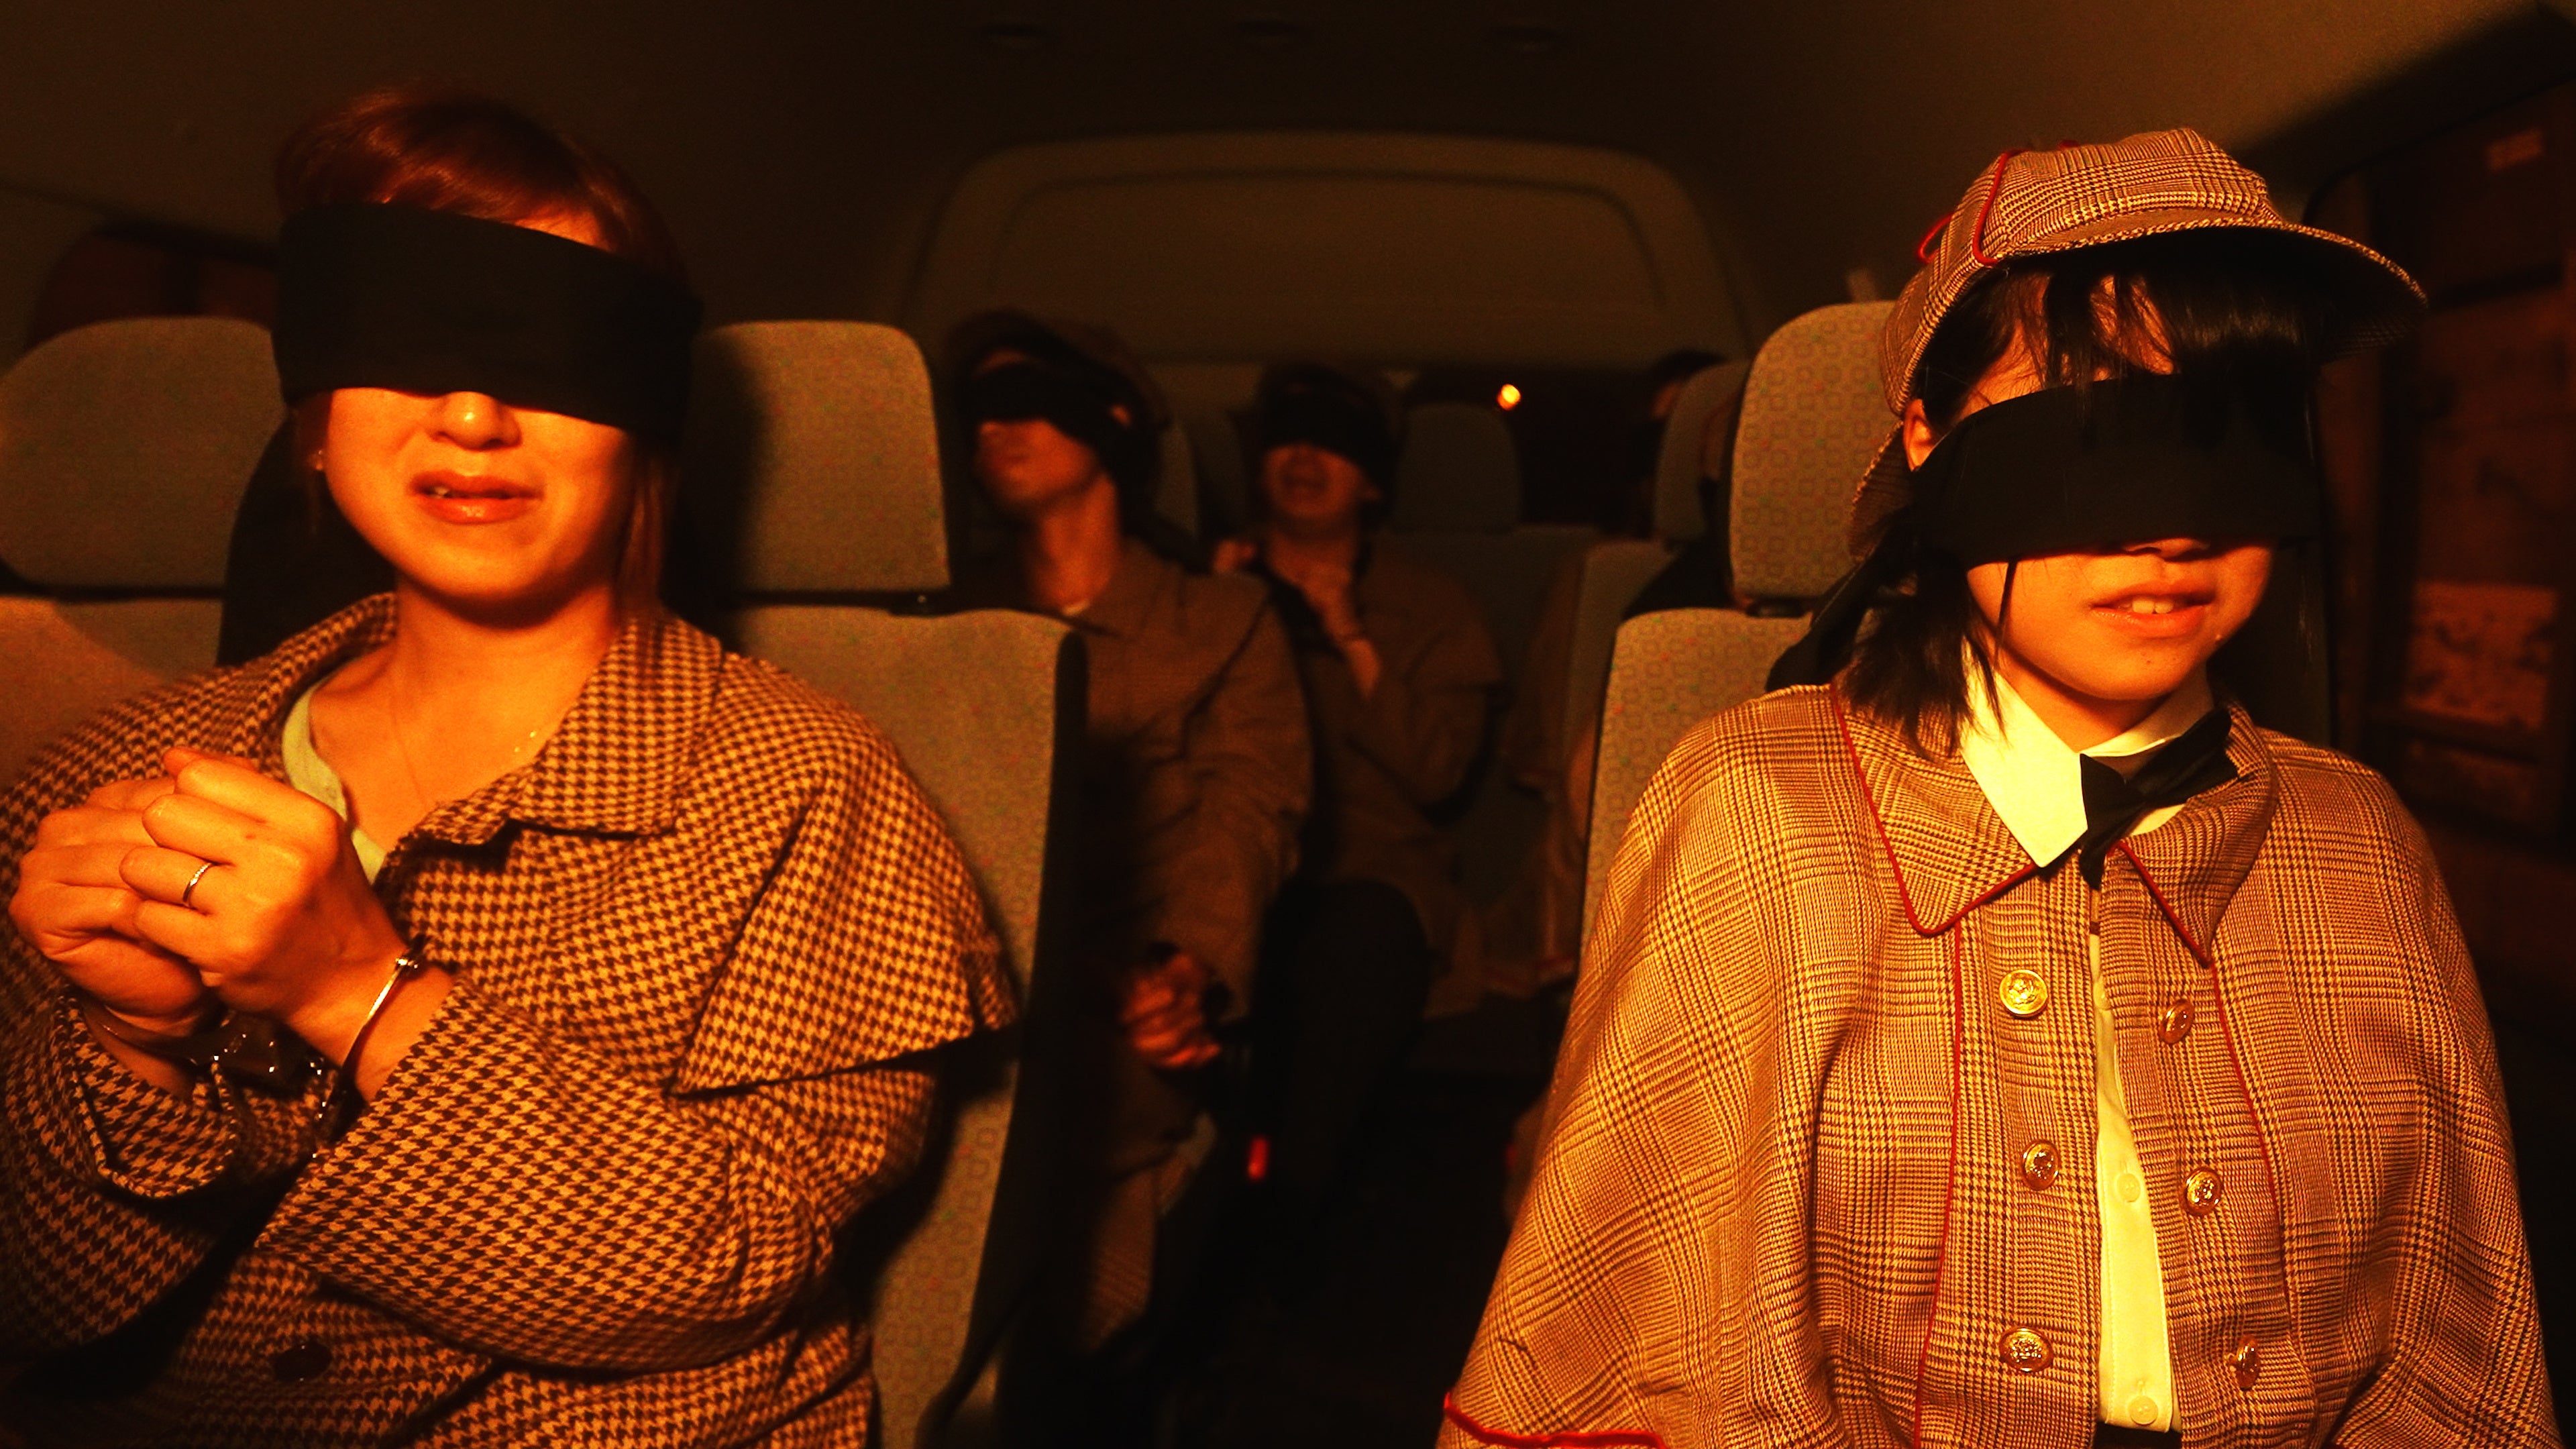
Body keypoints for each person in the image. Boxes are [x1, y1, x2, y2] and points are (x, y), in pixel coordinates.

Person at [1444, 131, 2561, 1448]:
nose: (2172, 525)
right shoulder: (1755, 816)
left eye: (2230, 424)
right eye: (2086, 420)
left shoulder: (2358, 843)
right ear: (1930, 439)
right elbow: (1649, 1354)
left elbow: (2457, 1363)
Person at [0, 86, 1013, 1445]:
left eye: (544, 348)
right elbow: (33, 1298)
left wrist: (359, 994)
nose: (473, 413)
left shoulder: (806, 792)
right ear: (316, 417)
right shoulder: (107, 781)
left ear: (643, 418)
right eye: (404, 334)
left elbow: (729, 1267)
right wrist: (133, 1050)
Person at [938, 313, 1310, 1381]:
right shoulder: (943, 629)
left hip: (1141, 998)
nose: (995, 428)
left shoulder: (1221, 622)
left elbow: (1250, 812)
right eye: (977, 410)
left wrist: (1183, 972)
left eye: (1027, 400)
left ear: (1109, 425)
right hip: (971, 979)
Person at [1213, 362, 1503, 1282]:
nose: (1306, 458)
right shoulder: (1200, 589)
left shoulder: (1433, 607)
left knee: (1354, 940)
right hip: (1227, 860)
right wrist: (1218, 613)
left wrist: (1348, 632)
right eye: (1290, 438)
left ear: (1372, 481)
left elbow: (1438, 773)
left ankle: (1285, 1226)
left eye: (1333, 445)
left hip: (1374, 873)